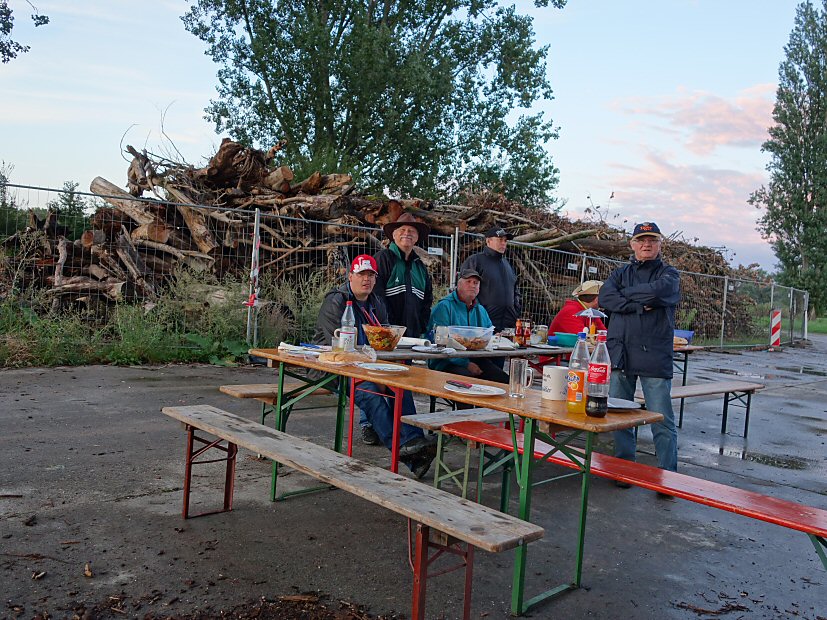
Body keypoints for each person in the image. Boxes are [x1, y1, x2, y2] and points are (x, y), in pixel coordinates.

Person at [312, 254, 435, 478]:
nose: (366, 279)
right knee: (369, 391)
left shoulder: (377, 303)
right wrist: (373, 370)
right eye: (361, 274)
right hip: (333, 367)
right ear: (351, 276)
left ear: (376, 280)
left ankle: (414, 442)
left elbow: (382, 340)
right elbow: (338, 347)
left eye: (371, 275)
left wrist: (383, 366)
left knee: (400, 383)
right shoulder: (337, 301)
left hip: (368, 365)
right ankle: (404, 449)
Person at [598, 222, 681, 494]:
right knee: (620, 417)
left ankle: (668, 478)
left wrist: (625, 297)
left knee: (661, 419)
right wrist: (639, 304)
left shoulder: (669, 274)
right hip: (620, 353)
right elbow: (605, 298)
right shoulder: (620, 273)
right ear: (632, 244)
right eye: (641, 240)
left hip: (653, 356)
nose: (647, 244)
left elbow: (658, 292)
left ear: (660, 244)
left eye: (652, 240)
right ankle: (624, 470)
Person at [362, 213, 433, 445]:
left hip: (409, 338)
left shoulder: (420, 267)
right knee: (377, 378)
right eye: (402, 230)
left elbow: (427, 301)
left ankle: (395, 428)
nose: (407, 234)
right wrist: (385, 330)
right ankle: (370, 424)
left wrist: (420, 328)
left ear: (417, 238)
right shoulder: (383, 259)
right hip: (384, 337)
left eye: (412, 231)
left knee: (399, 382)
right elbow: (376, 296)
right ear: (393, 235)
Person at [426, 269, 509, 386]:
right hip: (444, 362)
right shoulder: (444, 307)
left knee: (503, 380)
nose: (472, 285)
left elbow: (489, 335)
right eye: (468, 281)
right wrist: (466, 364)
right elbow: (439, 343)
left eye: (476, 283)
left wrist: (496, 337)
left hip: (476, 359)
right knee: (467, 381)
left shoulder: (481, 310)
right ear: (458, 284)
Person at [459, 226, 522, 334]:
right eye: (500, 239)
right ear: (488, 241)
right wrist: (478, 314)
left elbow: (516, 291)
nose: (503, 243)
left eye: (505, 241)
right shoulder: (475, 261)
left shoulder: (508, 265)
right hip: (482, 326)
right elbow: (465, 291)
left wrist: (515, 311)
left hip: (507, 327)